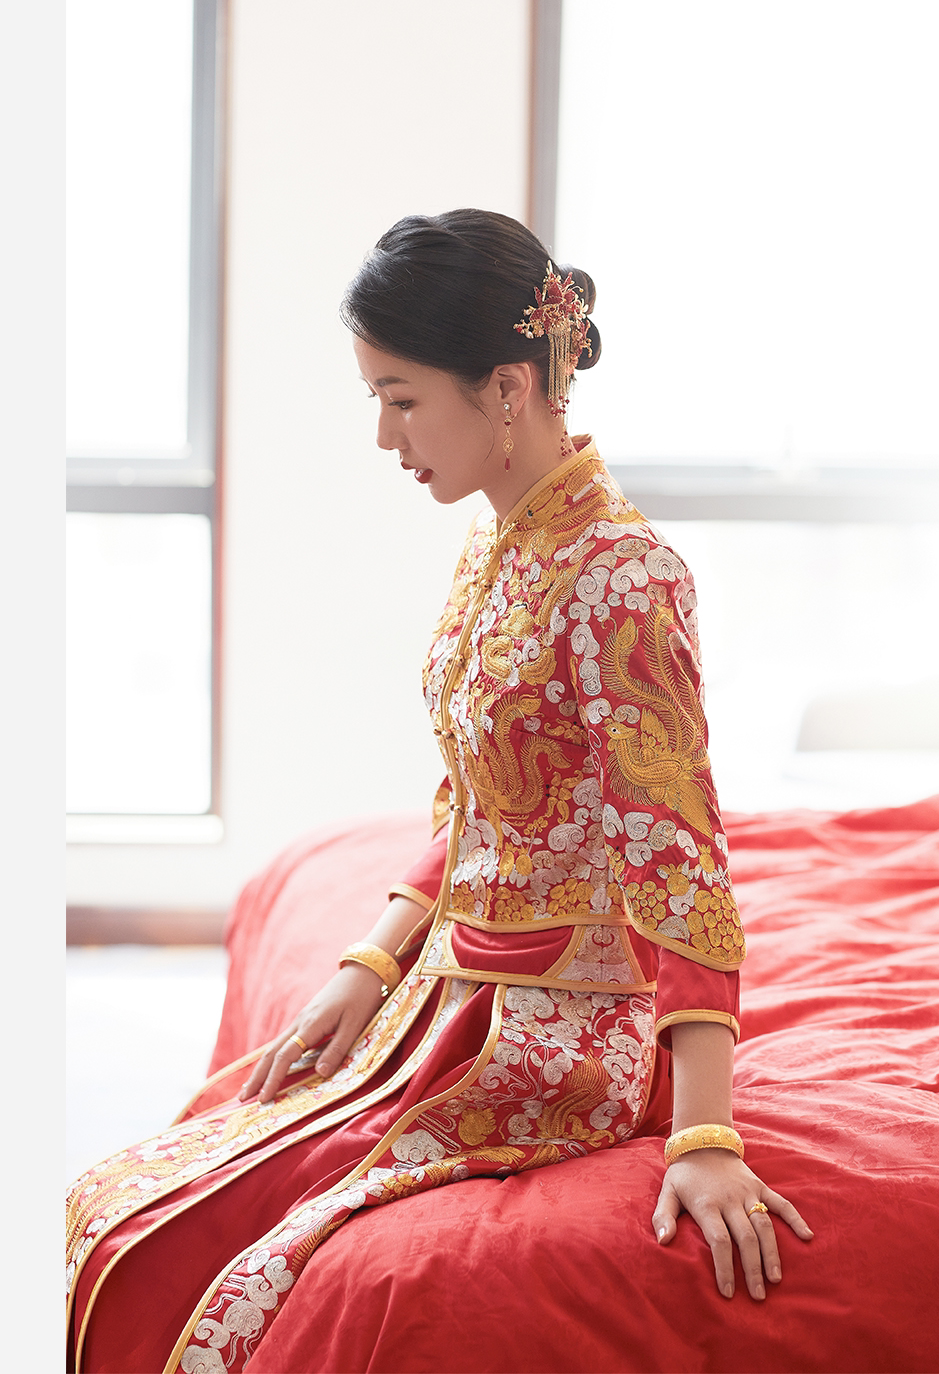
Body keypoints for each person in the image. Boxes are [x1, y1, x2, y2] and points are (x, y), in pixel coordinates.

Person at [66, 209, 813, 1373]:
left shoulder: (622, 575)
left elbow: (680, 859)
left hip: (564, 1031)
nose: (384, 435)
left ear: (507, 388)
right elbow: (473, 802)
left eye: (401, 398)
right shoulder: (497, 544)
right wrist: (368, 965)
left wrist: (706, 1130)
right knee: (127, 1202)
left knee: (212, 1245)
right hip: (452, 984)